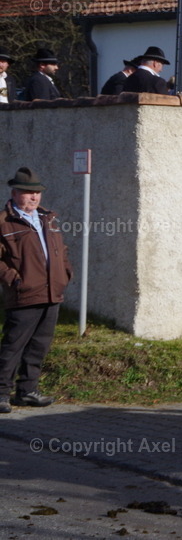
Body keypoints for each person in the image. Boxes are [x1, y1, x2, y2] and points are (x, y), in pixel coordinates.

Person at [0, 168, 73, 414]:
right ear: (15, 193)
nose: (34, 197)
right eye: (28, 193)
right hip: (24, 295)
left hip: (52, 293)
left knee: (39, 345)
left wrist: (64, 274)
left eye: (37, 193)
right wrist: (15, 280)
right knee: (13, 346)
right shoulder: (4, 222)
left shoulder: (47, 219)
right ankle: (1, 393)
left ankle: (27, 391)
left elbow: (61, 251)